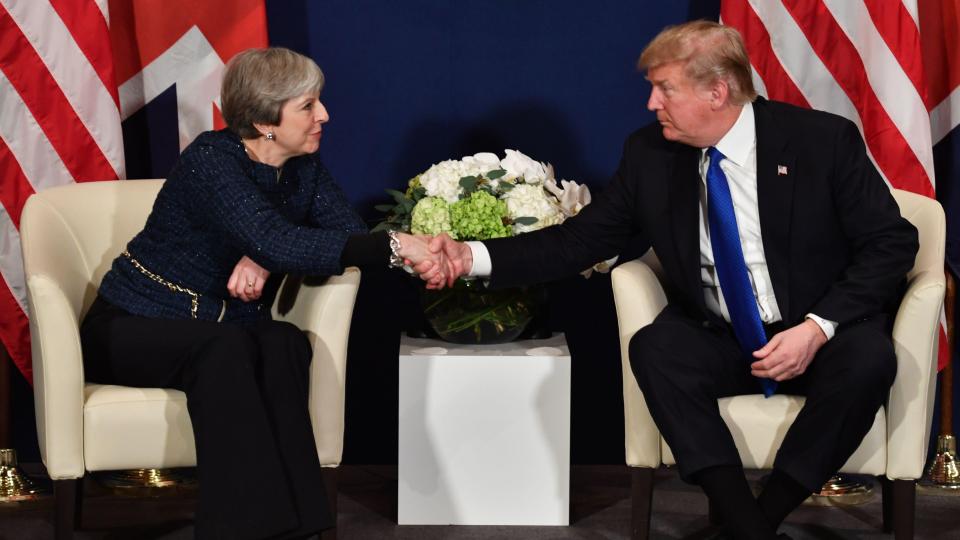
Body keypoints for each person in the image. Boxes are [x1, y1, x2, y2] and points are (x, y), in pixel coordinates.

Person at [423, 21, 919, 540]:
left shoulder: (821, 142)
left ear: (716, 90)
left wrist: (817, 328)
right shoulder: (651, 155)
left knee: (870, 358)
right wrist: (467, 258)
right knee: (655, 348)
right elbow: (575, 244)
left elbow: (892, 244)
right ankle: (748, 524)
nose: (651, 104)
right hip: (724, 338)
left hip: (814, 333)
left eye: (665, 90)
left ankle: (762, 517)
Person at [81, 47, 441, 540]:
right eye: (309, 106)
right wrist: (396, 245)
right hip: (131, 324)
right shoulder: (210, 159)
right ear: (265, 119)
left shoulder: (301, 169)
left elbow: (347, 234)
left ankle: (302, 525)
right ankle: (239, 531)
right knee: (225, 348)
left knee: (284, 343)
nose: (325, 116)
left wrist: (265, 257)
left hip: (221, 327)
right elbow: (283, 238)